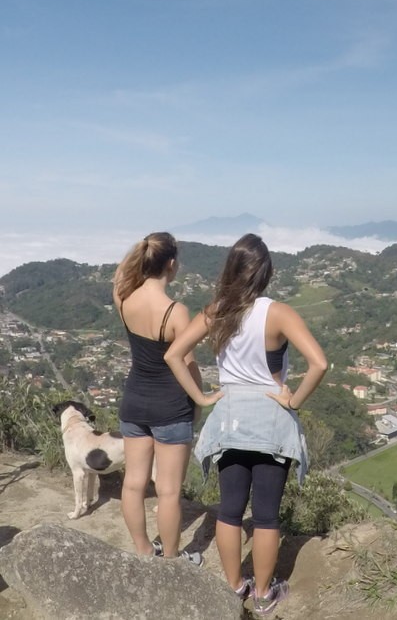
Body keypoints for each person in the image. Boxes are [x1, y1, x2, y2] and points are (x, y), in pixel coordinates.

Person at [165, 233, 327, 616]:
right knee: (267, 514)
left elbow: (174, 354)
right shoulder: (279, 313)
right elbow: (319, 363)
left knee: (230, 510)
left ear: (231, 270)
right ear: (265, 273)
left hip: (230, 418)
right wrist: (294, 399)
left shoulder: (215, 311)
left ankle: (235, 585)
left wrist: (203, 398)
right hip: (271, 418)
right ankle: (264, 594)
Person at [113, 231, 219, 565]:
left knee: (132, 484)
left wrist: (136, 255)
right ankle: (172, 559)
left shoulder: (123, 296)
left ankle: (144, 550)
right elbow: (187, 364)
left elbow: (119, 276)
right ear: (171, 265)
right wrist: (200, 399)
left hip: (134, 403)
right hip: (170, 408)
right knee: (169, 491)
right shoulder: (175, 312)